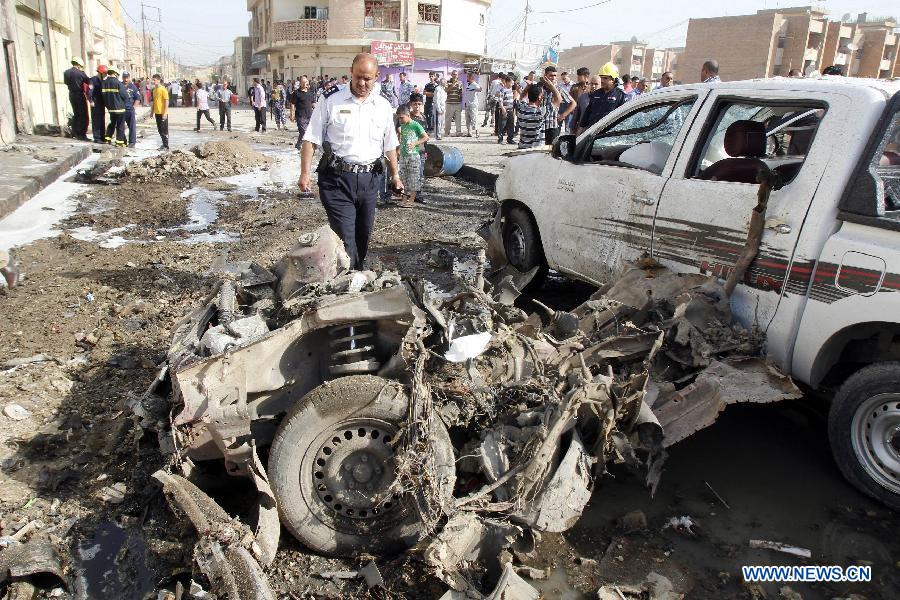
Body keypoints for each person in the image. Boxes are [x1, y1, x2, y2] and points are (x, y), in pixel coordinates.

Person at [299, 53, 403, 270]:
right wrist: (305, 173)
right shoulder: (330, 100)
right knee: (346, 238)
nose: (362, 83)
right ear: (351, 72)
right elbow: (311, 138)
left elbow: (389, 144)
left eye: (368, 78)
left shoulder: (383, 106)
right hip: (337, 180)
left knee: (363, 236)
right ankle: (352, 282)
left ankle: (356, 273)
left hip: (370, 180)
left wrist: (395, 176)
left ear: (377, 77)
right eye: (358, 77)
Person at [395, 105, 428, 208]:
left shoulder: (415, 125)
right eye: (398, 118)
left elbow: (426, 137)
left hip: (414, 155)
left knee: (413, 178)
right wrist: (399, 150)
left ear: (408, 115)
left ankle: (411, 200)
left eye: (402, 117)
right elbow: (403, 140)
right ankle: (404, 199)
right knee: (404, 178)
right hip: (404, 155)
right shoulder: (403, 126)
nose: (400, 120)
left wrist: (415, 143)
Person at [580, 63, 626, 132]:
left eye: (605, 78)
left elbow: (623, 119)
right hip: (592, 131)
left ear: (613, 79)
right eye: (601, 77)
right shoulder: (596, 93)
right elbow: (587, 114)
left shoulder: (620, 95)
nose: (602, 80)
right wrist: (581, 129)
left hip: (607, 134)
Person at [537, 65, 571, 145]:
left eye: (555, 75)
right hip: (539, 124)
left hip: (552, 125)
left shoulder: (559, 89)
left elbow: (572, 103)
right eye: (551, 75)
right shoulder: (539, 88)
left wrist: (563, 115)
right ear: (545, 76)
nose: (553, 78)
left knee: (551, 150)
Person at [63, 57, 90, 141]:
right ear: (79, 65)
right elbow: (89, 81)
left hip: (71, 94)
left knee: (76, 113)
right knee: (83, 115)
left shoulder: (66, 72)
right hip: (79, 95)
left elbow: (66, 82)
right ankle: (82, 134)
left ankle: (75, 132)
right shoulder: (80, 73)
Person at [515, 81, 547, 149]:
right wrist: (551, 85)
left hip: (522, 147)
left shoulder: (521, 109)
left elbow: (521, 96)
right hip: (536, 149)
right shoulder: (540, 112)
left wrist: (528, 87)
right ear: (539, 97)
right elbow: (558, 99)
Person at [102, 67, 127, 146]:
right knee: (120, 125)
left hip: (110, 108)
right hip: (120, 108)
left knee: (112, 123)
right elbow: (124, 95)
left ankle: (108, 138)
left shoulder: (104, 83)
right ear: (116, 73)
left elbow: (103, 96)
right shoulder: (118, 83)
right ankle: (119, 142)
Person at [292, 75, 316, 150]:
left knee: (307, 133)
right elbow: (292, 104)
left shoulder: (310, 92)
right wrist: (292, 115)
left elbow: (313, 103)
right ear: (301, 83)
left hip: (310, 115)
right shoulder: (296, 93)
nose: (306, 83)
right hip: (300, 116)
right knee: (304, 132)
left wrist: (317, 111)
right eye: (304, 82)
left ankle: (298, 144)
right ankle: (306, 148)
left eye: (306, 82)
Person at [121, 71, 140, 147]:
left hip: (130, 110)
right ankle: (123, 141)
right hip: (121, 110)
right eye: (124, 77)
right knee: (120, 127)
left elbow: (137, 98)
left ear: (129, 77)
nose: (126, 79)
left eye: (127, 77)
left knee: (132, 127)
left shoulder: (133, 87)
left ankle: (132, 142)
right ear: (122, 77)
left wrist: (134, 107)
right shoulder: (119, 85)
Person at [89, 65, 107, 143]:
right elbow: (89, 91)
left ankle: (102, 136)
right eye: (104, 73)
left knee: (102, 120)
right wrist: (91, 101)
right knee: (96, 120)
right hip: (95, 103)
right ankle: (97, 137)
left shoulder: (103, 81)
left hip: (102, 103)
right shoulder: (93, 80)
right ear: (100, 73)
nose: (105, 75)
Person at [497, 75, 517, 144]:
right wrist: (502, 109)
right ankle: (500, 139)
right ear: (507, 82)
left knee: (511, 125)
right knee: (502, 125)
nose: (513, 83)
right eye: (511, 82)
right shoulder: (502, 90)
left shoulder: (511, 90)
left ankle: (510, 139)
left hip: (510, 110)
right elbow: (500, 100)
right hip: (504, 111)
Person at [151, 73, 169, 150]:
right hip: (157, 113)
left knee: (164, 130)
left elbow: (166, 101)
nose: (153, 81)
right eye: (153, 80)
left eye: (154, 80)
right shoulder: (154, 90)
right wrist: (152, 112)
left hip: (162, 113)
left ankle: (166, 146)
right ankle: (163, 144)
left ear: (158, 80)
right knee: (160, 130)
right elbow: (154, 102)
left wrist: (165, 113)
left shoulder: (163, 89)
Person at [444, 70, 463, 137]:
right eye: (454, 74)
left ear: (457, 75)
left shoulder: (460, 82)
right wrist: (453, 85)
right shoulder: (448, 82)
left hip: (458, 103)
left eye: (456, 74)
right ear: (451, 75)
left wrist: (461, 103)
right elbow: (446, 90)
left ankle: (458, 132)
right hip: (450, 103)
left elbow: (461, 93)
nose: (455, 75)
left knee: (458, 119)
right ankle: (447, 132)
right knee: (448, 119)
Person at [463, 71, 482, 138]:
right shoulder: (468, 85)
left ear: (471, 77)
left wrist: (478, 89)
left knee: (474, 119)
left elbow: (479, 89)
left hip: (473, 105)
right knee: (467, 119)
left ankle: (477, 132)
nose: (466, 78)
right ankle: (469, 132)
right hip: (467, 104)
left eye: (467, 77)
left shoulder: (474, 84)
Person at [433, 77, 446, 141]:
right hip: (438, 107)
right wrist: (439, 109)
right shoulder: (438, 89)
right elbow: (437, 100)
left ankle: (439, 133)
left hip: (443, 107)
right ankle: (437, 135)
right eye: (445, 82)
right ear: (442, 82)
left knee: (441, 121)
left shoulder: (443, 89)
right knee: (438, 122)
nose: (446, 83)